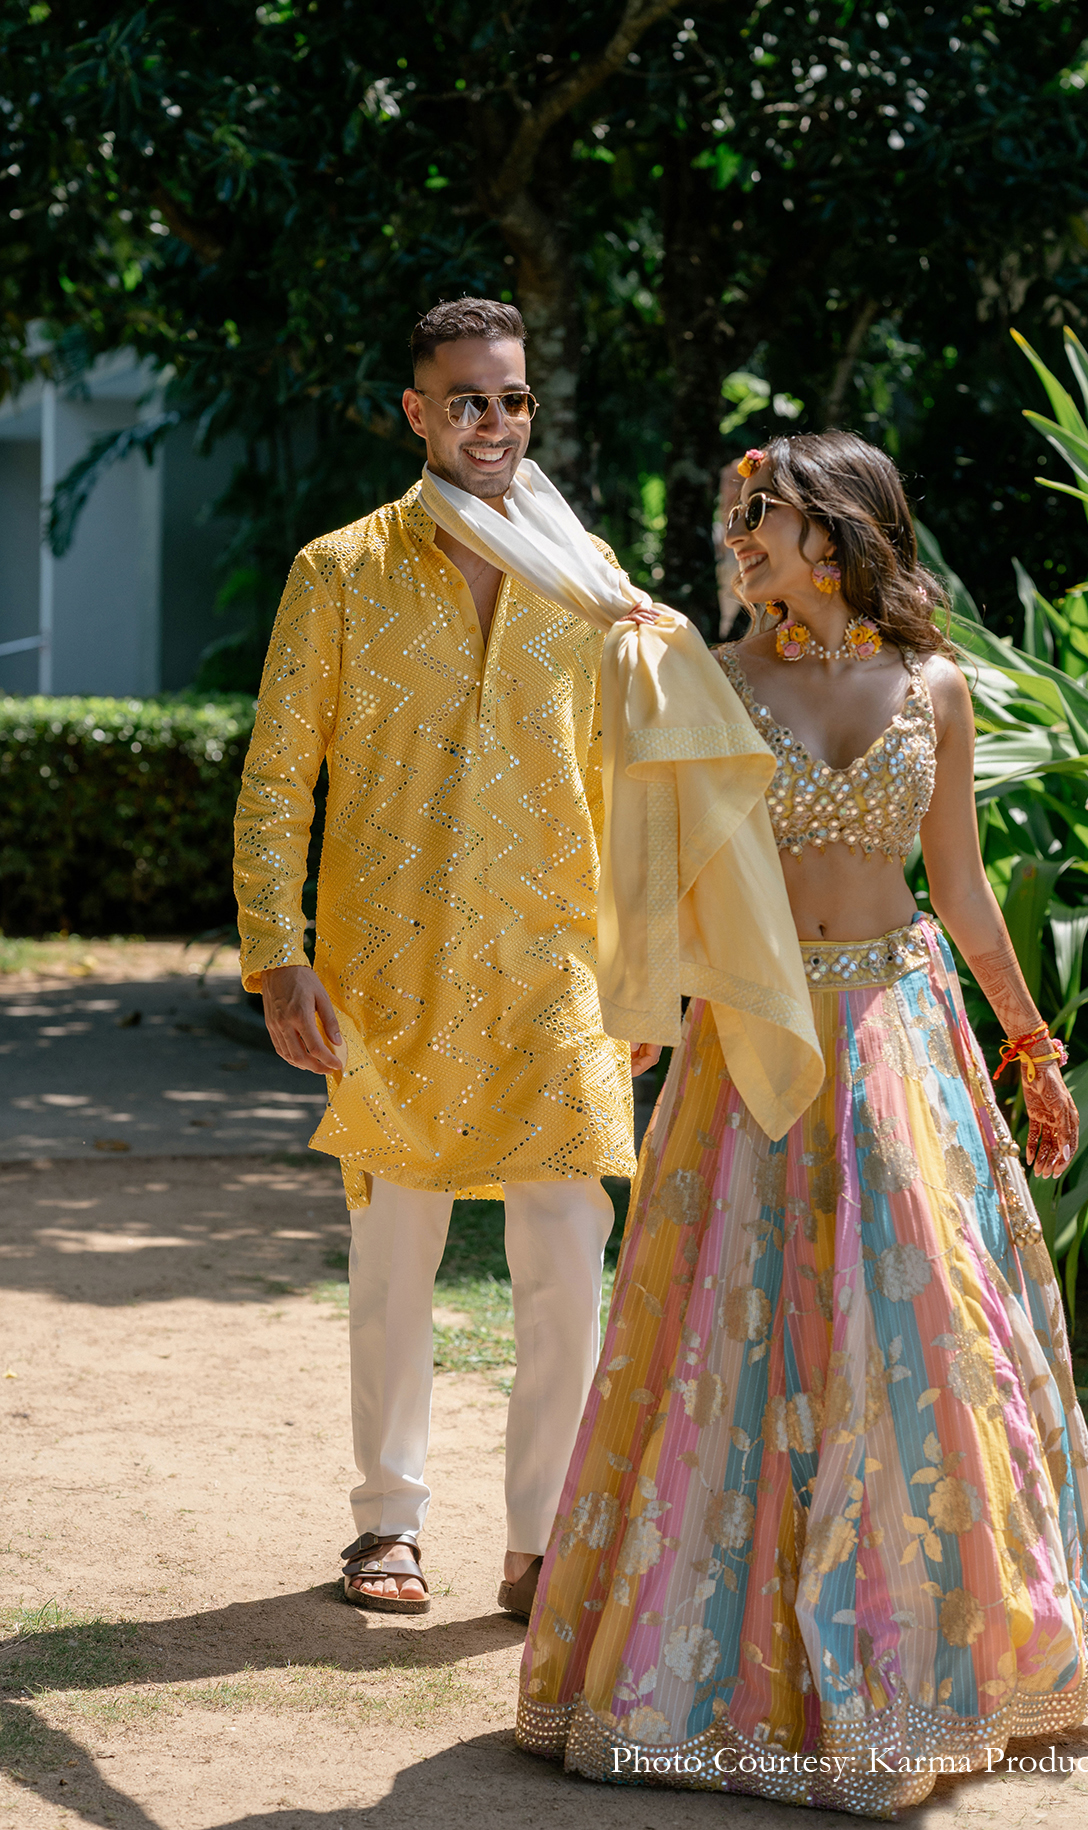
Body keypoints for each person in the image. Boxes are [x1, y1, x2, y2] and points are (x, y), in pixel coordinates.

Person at [515, 432, 1088, 1815]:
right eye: (739, 518)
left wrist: (1033, 1044)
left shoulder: (936, 685)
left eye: (767, 517)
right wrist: (639, 1004)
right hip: (755, 1033)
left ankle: (941, 1658)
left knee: (922, 1317)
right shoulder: (719, 677)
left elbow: (959, 887)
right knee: (742, 1321)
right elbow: (656, 847)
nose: (742, 537)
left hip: (901, 1027)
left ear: (842, 530)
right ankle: (730, 1678)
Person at [233, 297, 658, 1621]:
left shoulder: (586, 576)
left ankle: (544, 1543)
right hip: (388, 969)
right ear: (415, 411)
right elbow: (276, 779)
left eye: (512, 398)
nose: (493, 421)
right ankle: (388, 1522)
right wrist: (279, 954)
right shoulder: (340, 572)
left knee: (564, 1259)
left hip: (558, 968)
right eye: (468, 399)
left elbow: (633, 785)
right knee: (393, 1257)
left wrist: (649, 968)